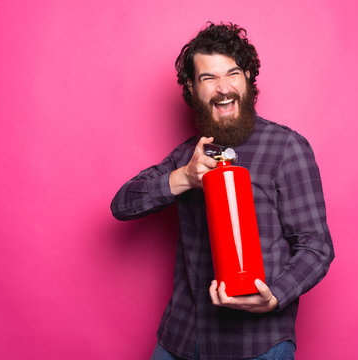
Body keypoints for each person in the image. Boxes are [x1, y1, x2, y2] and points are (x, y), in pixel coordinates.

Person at [111, 22, 334, 360]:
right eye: (208, 78)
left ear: (247, 77)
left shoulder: (287, 148)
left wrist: (273, 296)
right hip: (182, 339)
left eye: (232, 73)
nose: (222, 88)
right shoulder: (187, 156)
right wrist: (185, 177)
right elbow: (122, 204)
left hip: (258, 344)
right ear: (192, 87)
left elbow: (316, 247)